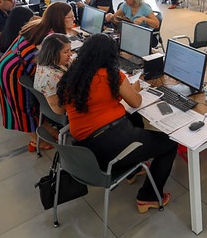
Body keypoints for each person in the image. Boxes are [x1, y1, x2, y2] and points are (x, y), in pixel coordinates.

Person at [58, 33, 176, 213]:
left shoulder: (72, 75)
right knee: (169, 144)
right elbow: (136, 102)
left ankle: (133, 169)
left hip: (84, 148)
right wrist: (132, 87)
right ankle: (148, 197)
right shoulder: (112, 75)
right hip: (109, 148)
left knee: (134, 118)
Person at [0, 2, 74, 151]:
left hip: (9, 63)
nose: (73, 19)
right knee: (23, 108)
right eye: (70, 17)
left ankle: (48, 130)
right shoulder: (49, 37)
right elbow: (54, 61)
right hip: (14, 71)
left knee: (31, 105)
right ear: (60, 19)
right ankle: (35, 141)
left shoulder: (39, 24)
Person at [34, 33, 72, 116]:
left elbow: (70, 64)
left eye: (70, 50)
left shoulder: (49, 61)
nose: (70, 54)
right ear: (53, 53)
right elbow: (60, 110)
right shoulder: (50, 77)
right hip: (65, 110)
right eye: (66, 52)